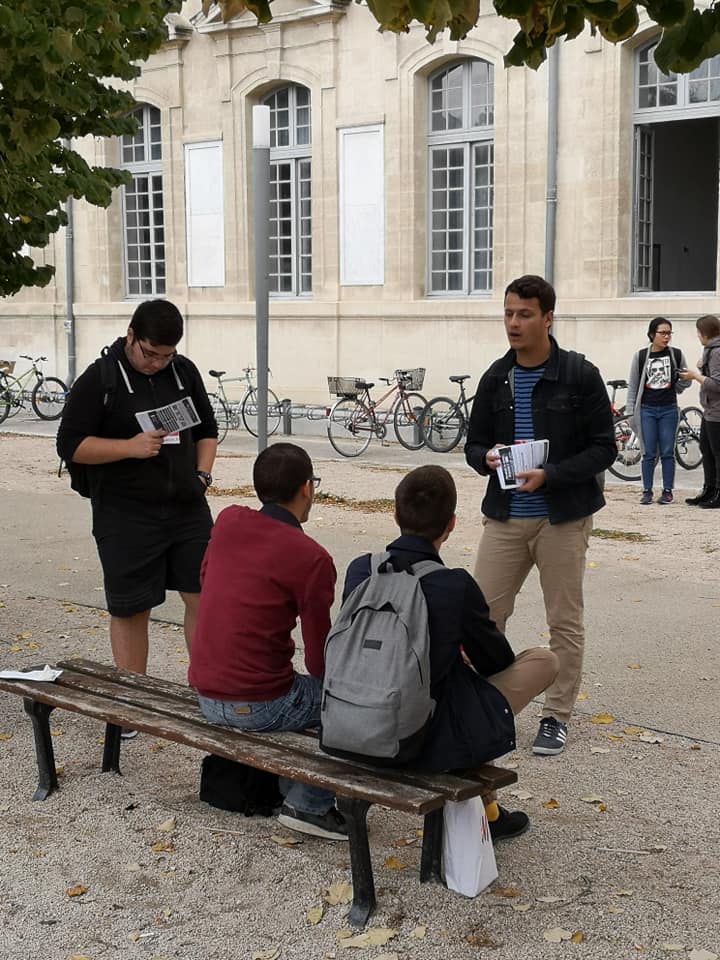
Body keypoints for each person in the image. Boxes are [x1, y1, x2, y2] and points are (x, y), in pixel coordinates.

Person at [343, 465, 559, 841]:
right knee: (544, 661)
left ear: (395, 516)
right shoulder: (453, 584)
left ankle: (489, 810)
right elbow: (496, 662)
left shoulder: (361, 570)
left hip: (353, 725)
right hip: (422, 741)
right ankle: (488, 812)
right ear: (452, 524)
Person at [465, 275, 616, 757]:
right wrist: (486, 457)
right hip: (505, 516)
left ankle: (556, 716)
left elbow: (604, 449)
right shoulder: (496, 377)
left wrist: (550, 475)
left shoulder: (579, 374)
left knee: (564, 622)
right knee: (482, 616)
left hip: (562, 518)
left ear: (548, 317)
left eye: (524, 314)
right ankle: (481, 707)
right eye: (508, 313)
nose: (513, 323)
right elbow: (472, 444)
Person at [188, 443, 347, 841]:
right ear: (307, 488)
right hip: (259, 703)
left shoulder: (228, 521)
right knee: (345, 705)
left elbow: (205, 580)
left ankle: (288, 787)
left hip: (206, 693)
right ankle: (310, 804)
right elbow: (319, 660)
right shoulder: (312, 558)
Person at [56, 300, 217, 687]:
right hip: (124, 513)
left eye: (166, 355)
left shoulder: (183, 371)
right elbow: (70, 445)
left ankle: (208, 691)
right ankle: (133, 698)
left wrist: (201, 476)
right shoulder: (100, 379)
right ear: (131, 336)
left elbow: (207, 430)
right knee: (132, 608)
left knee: (205, 597)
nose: (157, 363)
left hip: (187, 507)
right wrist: (129, 447)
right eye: (150, 354)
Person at [625, 317, 691, 505]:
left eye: (669, 333)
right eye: (663, 333)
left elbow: (685, 380)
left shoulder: (676, 354)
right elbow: (633, 386)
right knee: (648, 452)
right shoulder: (640, 357)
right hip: (647, 409)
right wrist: (630, 412)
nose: (667, 337)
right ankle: (647, 491)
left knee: (668, 451)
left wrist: (680, 383)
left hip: (669, 409)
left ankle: (667, 491)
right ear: (652, 334)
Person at [679, 314, 720, 508]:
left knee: (717, 453)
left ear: (704, 333)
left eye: (698, 332)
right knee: (707, 450)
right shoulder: (710, 350)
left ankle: (718, 493)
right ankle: (709, 489)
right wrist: (702, 368)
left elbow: (717, 384)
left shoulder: (717, 352)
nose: (697, 336)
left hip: (717, 411)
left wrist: (695, 376)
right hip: (709, 409)